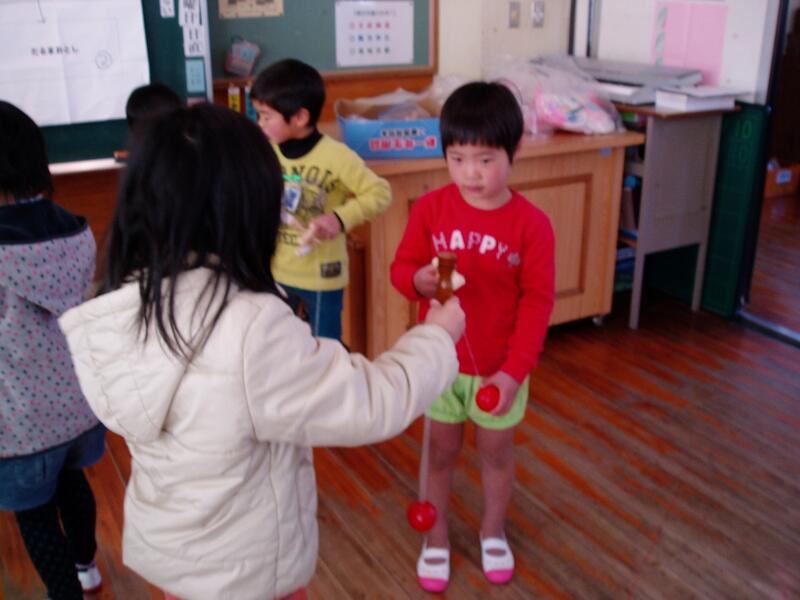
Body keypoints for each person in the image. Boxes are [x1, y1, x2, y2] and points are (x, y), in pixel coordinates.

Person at [58, 103, 465, 600]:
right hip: (248, 572)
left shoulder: (120, 304)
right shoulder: (248, 330)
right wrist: (436, 337)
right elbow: (372, 402)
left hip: (178, 562)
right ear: (244, 210)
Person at [390, 81, 555, 591]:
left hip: (500, 370)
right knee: (439, 454)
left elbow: (538, 304)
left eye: (485, 160)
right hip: (441, 362)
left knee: (496, 454)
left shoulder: (532, 225)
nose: (470, 174)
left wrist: (513, 373)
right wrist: (416, 280)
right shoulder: (430, 209)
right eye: (457, 159)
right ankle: (436, 538)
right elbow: (402, 269)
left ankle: (493, 531)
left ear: (514, 150)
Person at [0, 100, 105, 599]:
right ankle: (87, 567)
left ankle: (66, 593)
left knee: (36, 517)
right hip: (78, 404)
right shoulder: (76, 226)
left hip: (19, 420)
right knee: (73, 484)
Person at [250, 58, 392, 340]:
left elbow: (380, 193)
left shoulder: (336, 156)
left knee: (325, 349)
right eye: (259, 115)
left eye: (266, 116)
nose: (260, 123)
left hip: (321, 277)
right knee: (282, 346)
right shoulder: (267, 153)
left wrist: (339, 219)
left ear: (300, 118)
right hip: (276, 273)